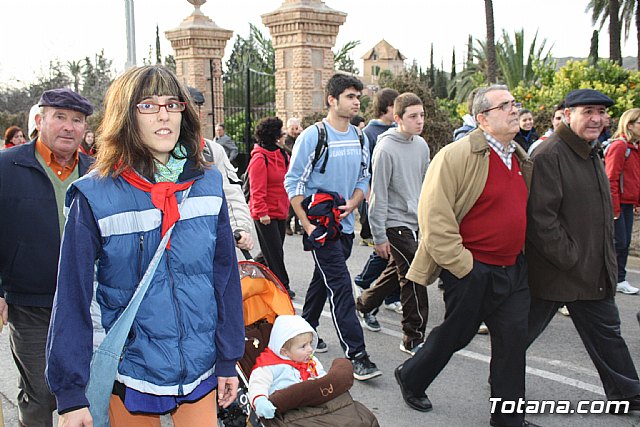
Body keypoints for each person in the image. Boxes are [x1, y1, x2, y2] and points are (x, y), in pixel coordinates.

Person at [45, 65, 244, 426]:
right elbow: (72, 297)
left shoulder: (209, 184)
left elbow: (225, 278)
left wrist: (229, 358)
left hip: (199, 367)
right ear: (126, 115)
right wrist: (71, 394)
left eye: (173, 104)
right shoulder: (93, 196)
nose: (164, 115)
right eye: (148, 105)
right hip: (129, 371)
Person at [397, 85, 534, 427]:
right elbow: (434, 219)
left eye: (514, 103)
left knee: (512, 343)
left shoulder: (520, 157)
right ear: (482, 119)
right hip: (473, 269)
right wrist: (465, 266)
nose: (514, 109)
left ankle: (508, 420)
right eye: (505, 105)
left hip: (512, 269)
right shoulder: (455, 156)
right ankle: (412, 376)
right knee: (457, 333)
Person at [526, 89, 640, 414]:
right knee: (518, 334)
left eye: (601, 113)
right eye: (588, 111)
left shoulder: (591, 150)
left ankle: (627, 393)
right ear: (568, 114)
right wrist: (572, 258)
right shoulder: (550, 154)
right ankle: (421, 373)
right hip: (558, 272)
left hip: (589, 271)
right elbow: (541, 220)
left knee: (607, 332)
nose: (596, 119)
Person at [0, 88, 95, 426]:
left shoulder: (97, 172)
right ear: (40, 121)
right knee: (40, 392)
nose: (69, 126)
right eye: (60, 117)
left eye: (77, 120)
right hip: (32, 303)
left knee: (90, 392)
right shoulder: (7, 167)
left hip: (88, 302)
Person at [284, 73, 381, 381]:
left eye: (358, 97)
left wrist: (354, 202)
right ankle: (357, 355)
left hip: (347, 227)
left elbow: (364, 177)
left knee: (321, 281)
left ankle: (303, 331)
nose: (356, 102)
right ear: (332, 100)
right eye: (350, 97)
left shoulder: (360, 137)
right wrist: (307, 225)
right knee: (340, 287)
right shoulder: (313, 136)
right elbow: (293, 181)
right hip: (322, 228)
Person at [356, 93, 430, 356]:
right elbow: (378, 194)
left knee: (396, 274)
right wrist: (379, 235)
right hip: (393, 223)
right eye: (413, 116)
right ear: (398, 118)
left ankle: (363, 304)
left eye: (422, 115)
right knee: (415, 276)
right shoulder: (385, 149)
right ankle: (412, 337)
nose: (419, 121)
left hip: (415, 221)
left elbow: (426, 184)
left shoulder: (421, 145)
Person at [354, 88, 402, 332]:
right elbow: (365, 169)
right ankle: (363, 283)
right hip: (377, 201)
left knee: (396, 253)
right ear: (386, 107)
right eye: (396, 105)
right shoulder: (370, 134)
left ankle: (391, 297)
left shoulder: (398, 132)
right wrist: (369, 196)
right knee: (384, 249)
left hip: (399, 203)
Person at [189, 87, 255, 253]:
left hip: (211, 247)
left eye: (194, 110)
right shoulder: (147, 153)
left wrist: (239, 227)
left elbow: (230, 193)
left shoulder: (211, 151)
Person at [248, 117, 294, 298]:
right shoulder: (259, 158)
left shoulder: (282, 154)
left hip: (280, 210)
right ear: (275, 136)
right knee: (275, 252)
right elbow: (256, 189)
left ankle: (247, 272)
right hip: (265, 214)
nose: (284, 135)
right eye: (281, 132)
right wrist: (262, 212)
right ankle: (283, 286)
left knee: (270, 250)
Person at [248, 315, 327, 419]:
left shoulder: (311, 361)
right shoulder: (268, 366)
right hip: (283, 411)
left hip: (310, 404)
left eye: (310, 343)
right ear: (284, 352)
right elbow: (258, 385)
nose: (310, 349)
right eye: (303, 346)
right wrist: (260, 401)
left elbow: (322, 377)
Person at [605, 108, 640, 295]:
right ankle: (616, 279)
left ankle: (619, 279)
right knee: (619, 243)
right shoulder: (620, 146)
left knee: (623, 243)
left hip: (627, 203)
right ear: (630, 125)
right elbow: (611, 178)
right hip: (618, 204)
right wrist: (614, 208)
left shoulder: (635, 147)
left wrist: (636, 202)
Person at [282, 117, 302, 235]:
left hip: (300, 172)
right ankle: (287, 222)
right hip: (288, 172)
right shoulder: (286, 141)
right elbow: (292, 152)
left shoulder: (300, 138)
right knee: (291, 199)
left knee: (300, 197)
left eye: (296, 128)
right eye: (292, 129)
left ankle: (298, 224)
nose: (295, 131)